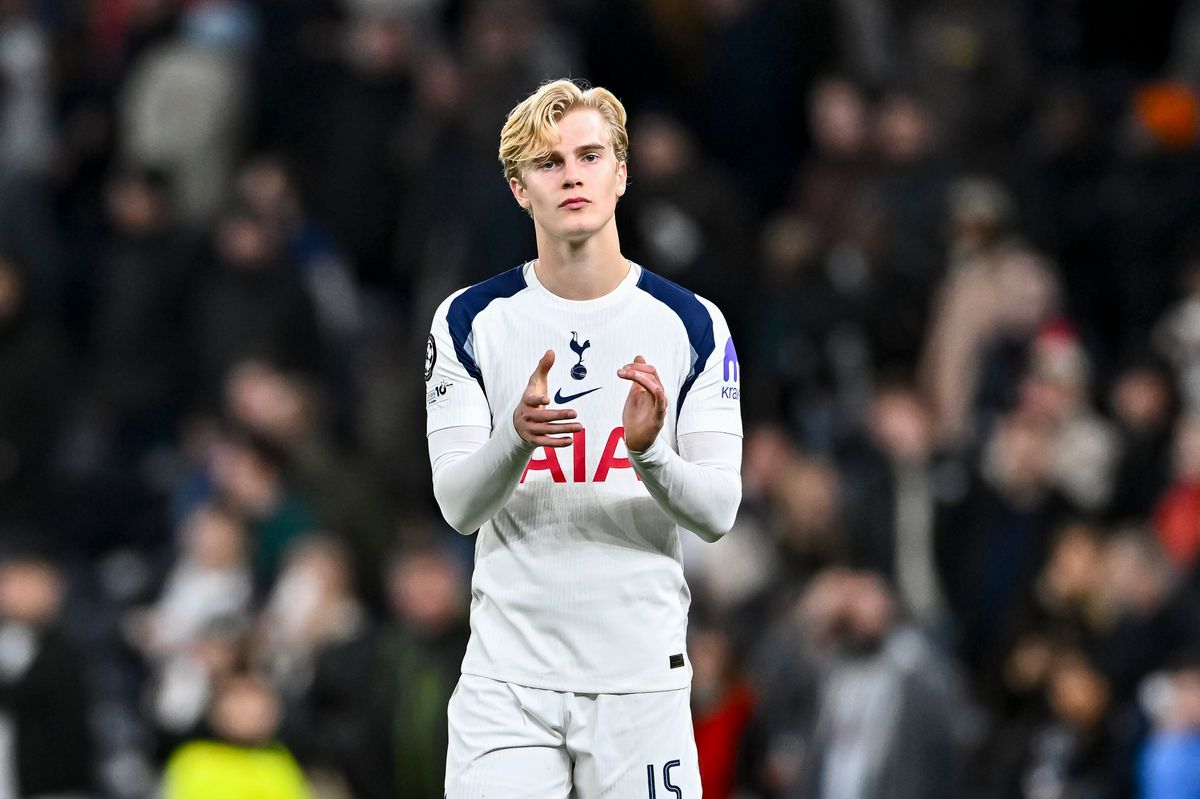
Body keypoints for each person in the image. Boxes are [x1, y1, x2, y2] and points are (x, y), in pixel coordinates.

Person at [424, 79, 743, 798]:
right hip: (508, 683)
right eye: (548, 162)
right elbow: (459, 506)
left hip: (640, 683)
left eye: (590, 156)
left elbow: (718, 512)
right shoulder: (469, 320)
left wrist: (649, 453)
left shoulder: (693, 323)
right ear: (519, 189)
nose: (572, 174)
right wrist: (515, 437)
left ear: (621, 174)